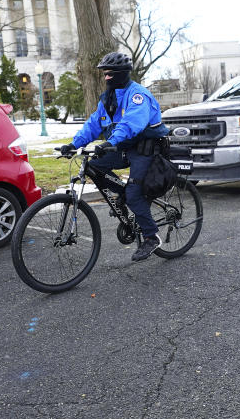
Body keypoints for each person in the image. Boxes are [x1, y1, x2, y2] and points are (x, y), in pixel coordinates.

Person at [59, 52, 169, 262]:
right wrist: (74, 144)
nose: (106, 77)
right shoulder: (109, 98)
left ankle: (150, 236)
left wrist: (110, 142)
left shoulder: (137, 95)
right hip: (123, 147)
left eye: (110, 73)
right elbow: (94, 123)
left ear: (122, 73)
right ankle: (124, 194)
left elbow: (131, 124)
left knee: (135, 194)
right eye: (104, 73)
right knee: (95, 166)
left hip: (145, 148)